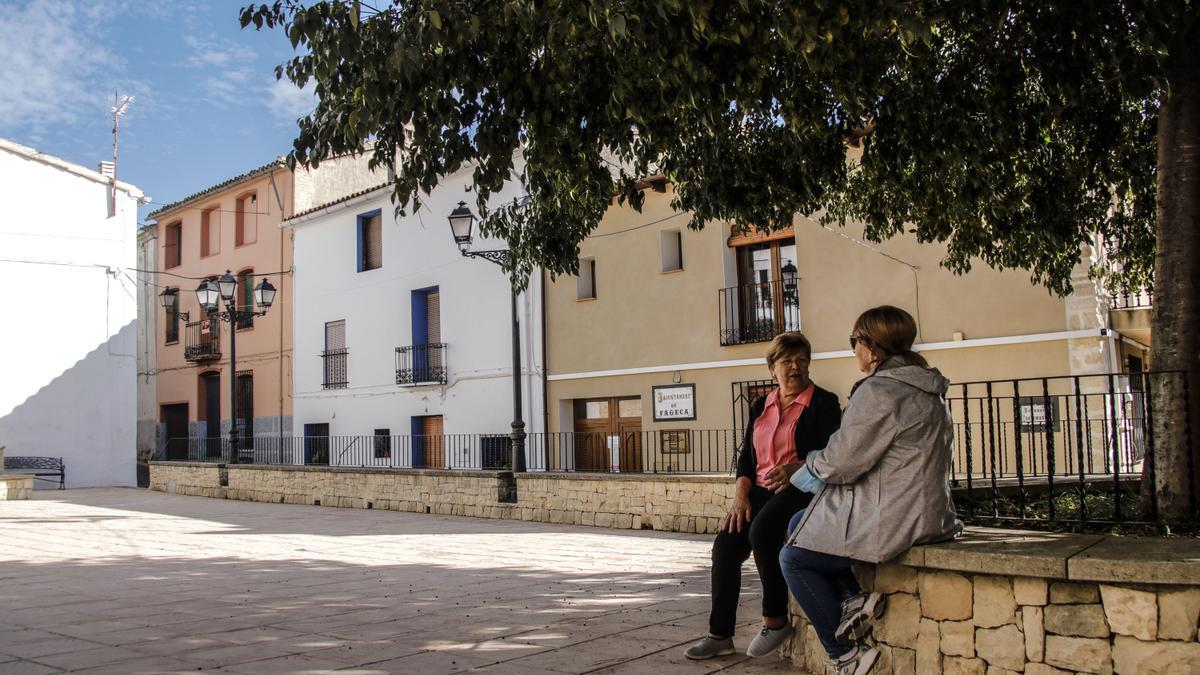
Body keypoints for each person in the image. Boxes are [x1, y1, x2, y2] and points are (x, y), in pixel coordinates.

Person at [778, 305, 961, 675]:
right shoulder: (925, 386)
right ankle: (851, 599)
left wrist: (807, 464)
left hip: (894, 517)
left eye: (855, 342)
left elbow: (841, 462)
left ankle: (844, 654)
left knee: (793, 557)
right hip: (928, 511)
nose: (854, 350)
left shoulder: (881, 391)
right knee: (800, 520)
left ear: (873, 348)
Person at [685, 332, 842, 660]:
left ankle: (775, 619)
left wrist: (796, 467)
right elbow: (746, 457)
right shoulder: (761, 404)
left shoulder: (824, 403)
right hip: (758, 490)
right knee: (726, 545)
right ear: (772, 368)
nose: (795, 367)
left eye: (801, 360)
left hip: (800, 487)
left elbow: (833, 453)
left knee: (763, 531)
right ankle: (720, 636)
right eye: (787, 361)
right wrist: (741, 496)